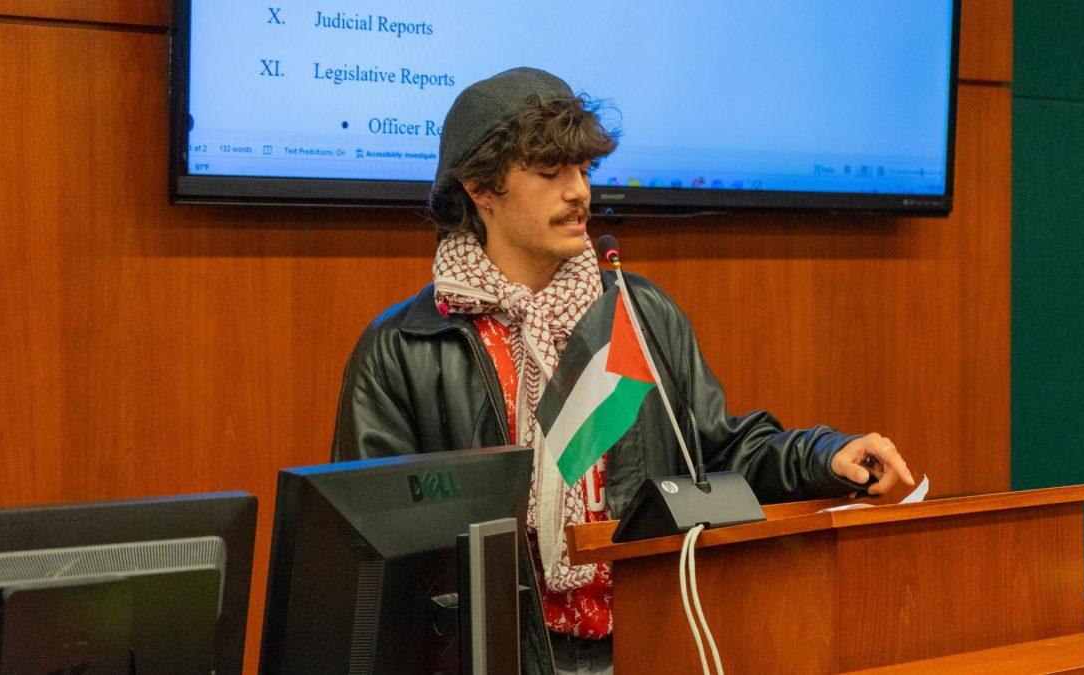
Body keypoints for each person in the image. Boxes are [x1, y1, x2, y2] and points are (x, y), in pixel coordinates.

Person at [332, 67, 914, 675]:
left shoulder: (635, 314)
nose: (579, 191)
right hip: (496, 658)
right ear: (481, 188)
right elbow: (375, 551)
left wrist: (825, 456)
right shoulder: (405, 345)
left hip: (645, 647)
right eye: (551, 172)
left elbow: (716, 454)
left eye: (584, 170)